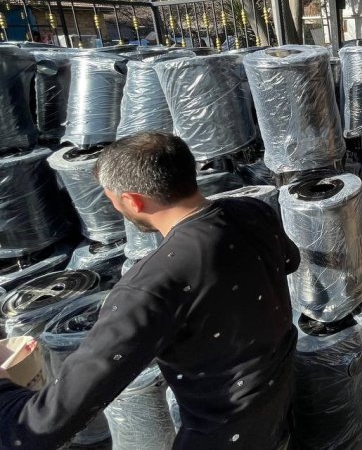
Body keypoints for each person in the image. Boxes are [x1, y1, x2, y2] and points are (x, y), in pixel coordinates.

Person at [0, 132, 299, 450]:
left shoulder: (152, 286)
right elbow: (289, 261)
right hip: (279, 398)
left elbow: (45, 424)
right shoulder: (253, 211)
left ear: (132, 200)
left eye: (111, 197)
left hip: (224, 435)